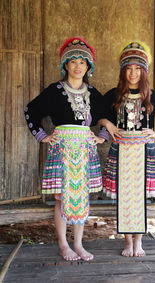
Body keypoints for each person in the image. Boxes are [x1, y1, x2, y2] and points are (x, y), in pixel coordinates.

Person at [24, 37, 109, 261]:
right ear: (65, 66)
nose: (78, 66)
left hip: (84, 150)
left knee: (81, 197)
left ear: (88, 67)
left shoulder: (93, 93)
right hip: (61, 150)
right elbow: (30, 111)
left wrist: (102, 136)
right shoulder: (54, 91)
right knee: (62, 197)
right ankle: (63, 245)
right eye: (73, 61)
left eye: (83, 62)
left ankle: (79, 244)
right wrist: (42, 136)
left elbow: (108, 115)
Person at [100, 41, 155, 257]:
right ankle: (126, 241)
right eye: (128, 68)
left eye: (137, 68)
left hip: (144, 151)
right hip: (121, 150)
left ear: (143, 71)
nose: (133, 73)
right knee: (124, 196)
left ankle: (139, 242)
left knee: (140, 196)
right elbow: (99, 113)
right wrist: (107, 125)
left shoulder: (151, 96)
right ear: (123, 70)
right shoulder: (113, 95)